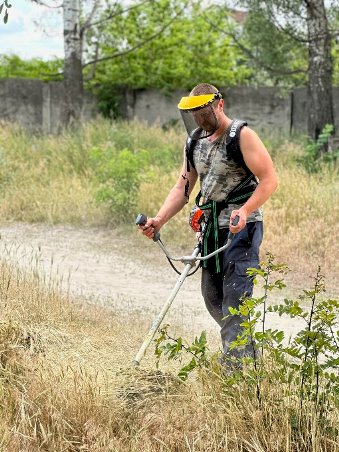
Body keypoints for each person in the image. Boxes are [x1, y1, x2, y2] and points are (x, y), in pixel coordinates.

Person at [139, 83, 278, 364]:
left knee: (235, 303)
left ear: (219, 105)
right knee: (212, 298)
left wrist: (246, 209)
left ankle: (236, 373)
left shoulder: (242, 136)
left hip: (243, 228)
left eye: (204, 113)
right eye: (195, 116)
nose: (201, 120)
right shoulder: (194, 141)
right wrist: (159, 219)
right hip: (211, 230)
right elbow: (182, 188)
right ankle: (249, 355)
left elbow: (269, 179)